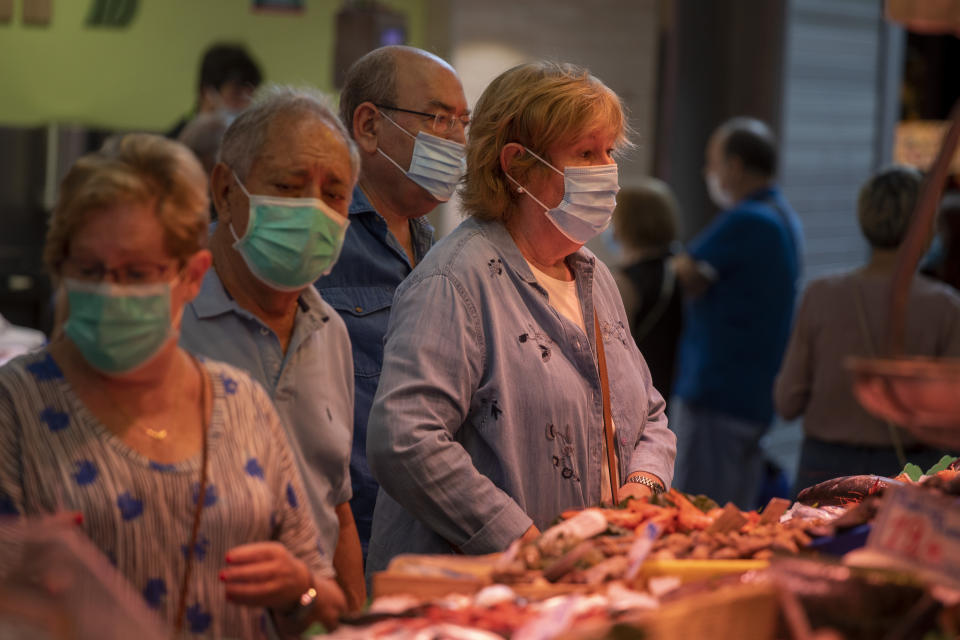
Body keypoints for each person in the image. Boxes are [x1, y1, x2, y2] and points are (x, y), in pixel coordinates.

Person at [0, 133, 345, 638]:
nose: (110, 291)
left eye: (137, 272)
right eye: (90, 269)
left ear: (192, 274)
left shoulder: (242, 403)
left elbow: (325, 600)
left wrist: (299, 590)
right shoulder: (15, 407)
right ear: (60, 268)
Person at [365, 61, 676, 574]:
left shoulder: (593, 276)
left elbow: (651, 417)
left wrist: (641, 490)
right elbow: (405, 440)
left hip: (586, 580)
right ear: (517, 165)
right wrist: (525, 543)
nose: (606, 169)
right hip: (476, 593)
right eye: (585, 153)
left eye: (609, 152)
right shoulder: (454, 281)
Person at [178, 86, 367, 611]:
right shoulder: (167, 320)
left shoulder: (331, 332)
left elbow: (337, 506)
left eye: (333, 194)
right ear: (225, 190)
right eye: (287, 186)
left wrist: (353, 620)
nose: (312, 210)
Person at [314, 45, 469, 561]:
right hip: (335, 534)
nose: (459, 141)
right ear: (369, 125)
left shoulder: (439, 249)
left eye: (463, 124)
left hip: (423, 536)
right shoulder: (314, 240)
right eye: (440, 119)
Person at [776, 166, 960, 491]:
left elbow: (787, 401)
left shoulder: (821, 295)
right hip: (911, 472)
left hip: (824, 468)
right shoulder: (946, 307)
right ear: (926, 227)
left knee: (814, 542)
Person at [670, 117, 803, 509]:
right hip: (752, 395)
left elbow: (685, 271)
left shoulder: (749, 219)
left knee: (700, 514)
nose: (707, 173)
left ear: (735, 166)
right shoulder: (782, 215)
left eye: (712, 162)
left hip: (718, 395)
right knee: (735, 510)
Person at [611, 180, 684, 403]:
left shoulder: (624, 283)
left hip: (639, 395)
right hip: (674, 387)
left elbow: (613, 356)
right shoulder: (681, 269)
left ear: (624, 224)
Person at [167, 43, 262, 139]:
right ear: (206, 94)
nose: (245, 106)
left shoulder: (250, 148)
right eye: (236, 95)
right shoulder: (168, 148)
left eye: (251, 96)